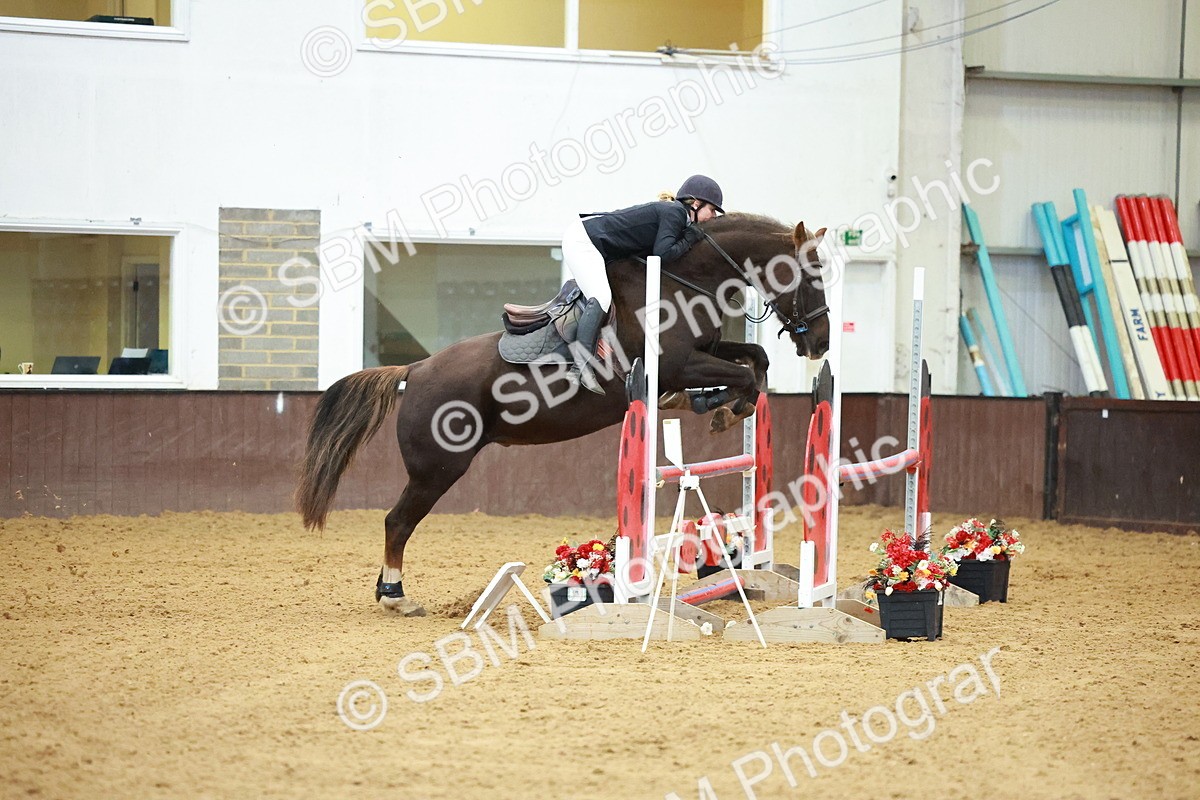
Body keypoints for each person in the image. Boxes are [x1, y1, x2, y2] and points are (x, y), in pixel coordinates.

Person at [561, 174, 724, 393]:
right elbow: (663, 254)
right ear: (696, 204)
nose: (713, 217)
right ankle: (579, 367)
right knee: (600, 297)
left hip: (596, 245)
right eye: (712, 210)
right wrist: (692, 236)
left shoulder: (677, 216)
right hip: (583, 242)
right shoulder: (675, 212)